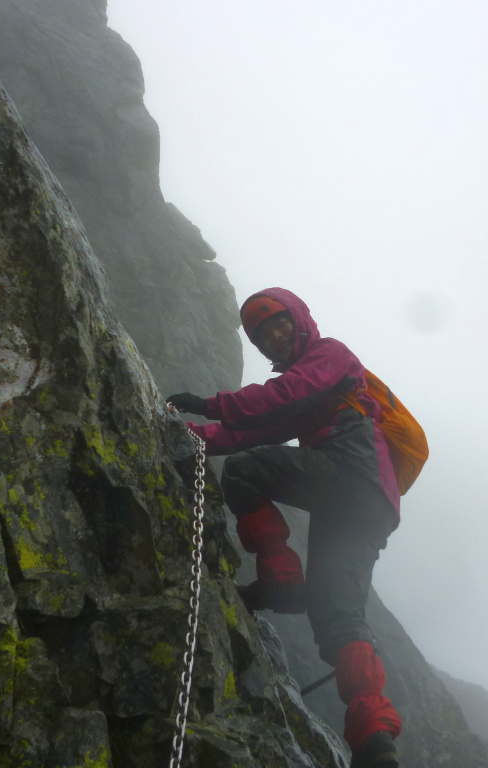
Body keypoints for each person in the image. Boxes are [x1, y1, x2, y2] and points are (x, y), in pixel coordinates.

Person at [167, 288, 403, 768]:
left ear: (299, 320)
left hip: (350, 473)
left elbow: (282, 396)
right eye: (261, 334)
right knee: (338, 619)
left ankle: (281, 580)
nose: (273, 336)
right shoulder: (312, 385)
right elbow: (253, 428)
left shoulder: (329, 355)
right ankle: (375, 743)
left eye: (278, 323)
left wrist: (210, 405)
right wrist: (188, 434)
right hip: (366, 503)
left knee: (245, 471)